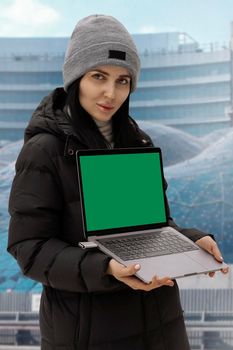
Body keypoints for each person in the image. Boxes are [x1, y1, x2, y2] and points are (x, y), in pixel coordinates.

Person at [7, 14, 228, 350]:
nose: (111, 92)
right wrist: (106, 268)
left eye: (123, 81)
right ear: (76, 77)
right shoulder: (45, 150)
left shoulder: (137, 142)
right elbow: (29, 249)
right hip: (90, 332)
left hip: (162, 323)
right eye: (99, 76)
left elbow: (155, 224)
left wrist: (191, 240)